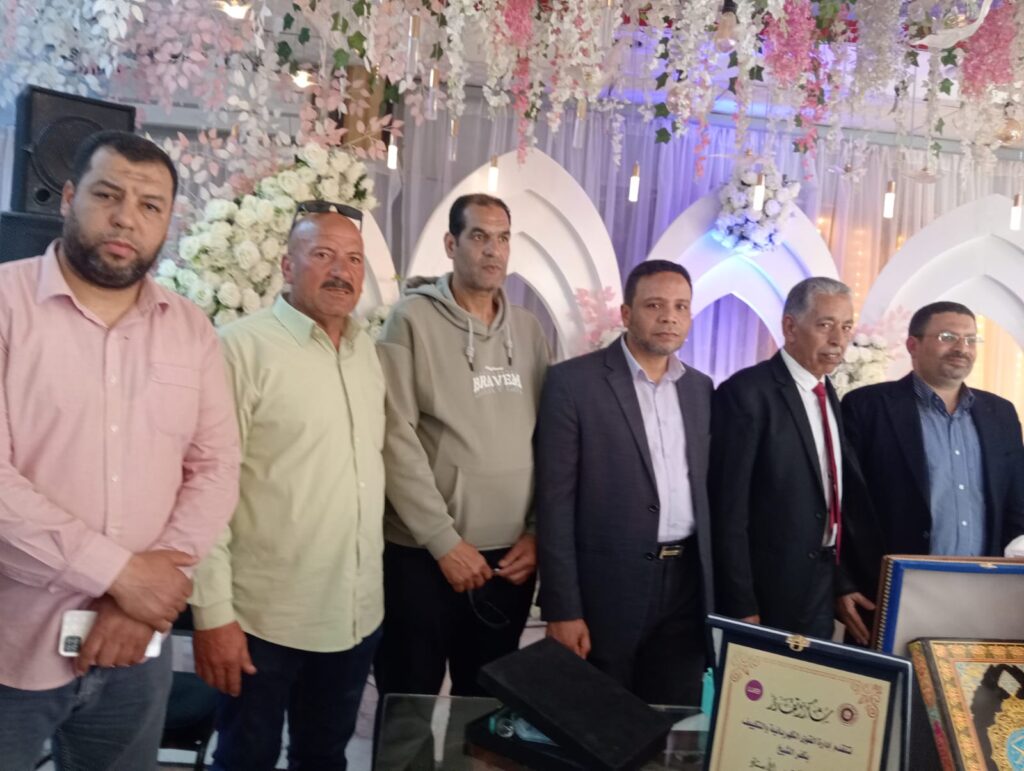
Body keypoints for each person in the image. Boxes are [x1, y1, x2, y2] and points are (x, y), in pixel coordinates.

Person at [0, 130, 240, 770]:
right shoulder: (5, 305)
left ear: (168, 221)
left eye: (149, 205)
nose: (126, 218)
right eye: (107, 195)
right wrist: (122, 578)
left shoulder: (190, 329)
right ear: (69, 198)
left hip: (136, 649)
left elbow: (215, 468)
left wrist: (142, 600)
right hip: (12, 641)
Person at [189, 204, 385, 770]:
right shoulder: (239, 349)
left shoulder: (366, 352)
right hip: (262, 621)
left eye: (354, 259)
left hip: (353, 614)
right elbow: (203, 491)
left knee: (324, 758)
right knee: (245, 759)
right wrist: (213, 614)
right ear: (286, 265)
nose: (341, 271)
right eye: (323, 254)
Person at [374, 193, 549, 704]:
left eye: (503, 238)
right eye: (479, 236)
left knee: (485, 709)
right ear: (451, 245)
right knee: (409, 704)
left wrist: (536, 531)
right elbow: (395, 437)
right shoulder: (410, 321)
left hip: (508, 562)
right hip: (425, 556)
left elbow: (550, 438)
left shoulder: (529, 330)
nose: (493, 250)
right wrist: (442, 541)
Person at [535, 260, 713, 705]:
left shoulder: (701, 389)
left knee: (674, 718)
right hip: (606, 588)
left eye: (681, 307)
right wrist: (563, 608)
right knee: (599, 720)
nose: (669, 317)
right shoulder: (573, 383)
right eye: (655, 305)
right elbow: (554, 505)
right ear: (627, 313)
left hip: (686, 586)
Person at [710, 277, 880, 644]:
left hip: (819, 583)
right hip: (765, 589)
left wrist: (839, 582)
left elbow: (826, 499)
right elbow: (727, 509)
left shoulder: (827, 391)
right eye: (825, 325)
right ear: (790, 327)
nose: (838, 339)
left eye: (846, 327)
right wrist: (740, 602)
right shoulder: (747, 393)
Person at [842, 301, 1024, 560]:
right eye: (947, 337)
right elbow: (850, 503)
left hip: (985, 577)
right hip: (895, 574)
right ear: (912, 345)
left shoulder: (1001, 413)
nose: (961, 348)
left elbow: (1016, 502)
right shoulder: (867, 407)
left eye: (971, 339)